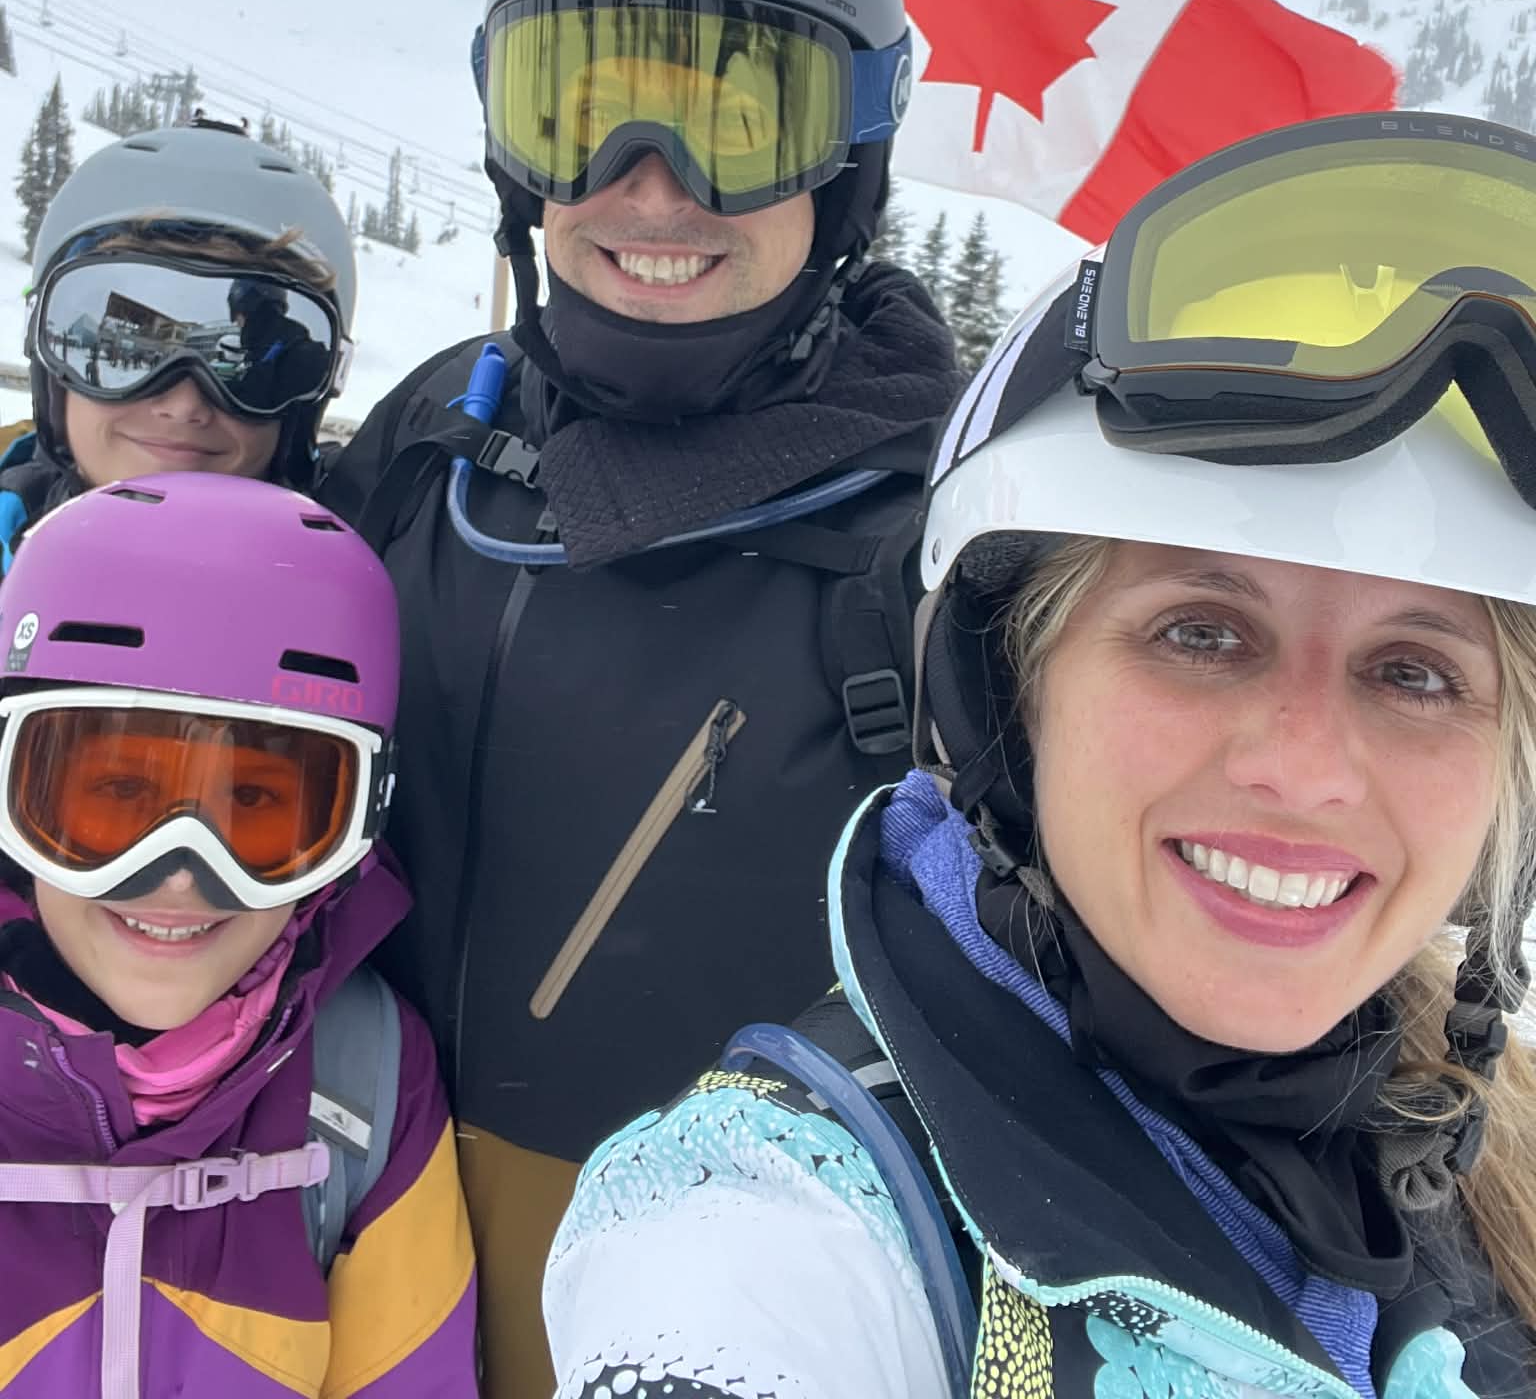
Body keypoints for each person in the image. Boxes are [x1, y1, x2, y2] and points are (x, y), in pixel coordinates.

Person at [545, 110, 1536, 1398]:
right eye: (1201, 631)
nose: (1309, 770)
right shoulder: (778, 1221)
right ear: (1009, 688)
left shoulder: (1478, 1131)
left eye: (1415, 670)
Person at [322, 0, 961, 1392]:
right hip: (358, 1287)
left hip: (717, 1338)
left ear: (852, 159)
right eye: (580, 110)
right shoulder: (433, 450)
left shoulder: (940, 546)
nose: (647, 191)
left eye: (737, 123)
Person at [0, 469, 476, 1396]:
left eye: (256, 807)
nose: (181, 873)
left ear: (357, 823)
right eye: (113, 795)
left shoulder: (364, 1078)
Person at [1, 115, 356, 571]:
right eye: (135, 358)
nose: (184, 405)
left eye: (245, 371)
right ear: (51, 371)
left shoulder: (371, 572)